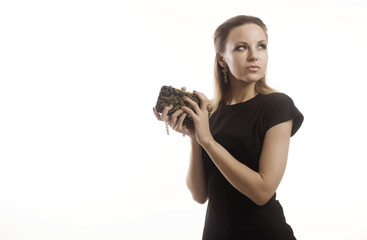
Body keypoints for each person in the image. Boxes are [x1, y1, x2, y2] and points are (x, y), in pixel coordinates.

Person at [153, 15, 303, 240]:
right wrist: (195, 138)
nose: (254, 55)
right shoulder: (210, 112)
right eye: (242, 48)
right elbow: (199, 194)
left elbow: (262, 192)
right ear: (222, 59)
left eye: (261, 46)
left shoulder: (278, 105)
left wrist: (209, 142)